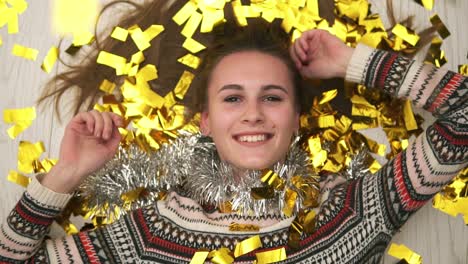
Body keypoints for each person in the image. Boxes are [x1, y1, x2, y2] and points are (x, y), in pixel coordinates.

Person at [1, 2, 467, 264]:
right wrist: (68, 172)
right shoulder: (149, 235)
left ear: (297, 117)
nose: (253, 114)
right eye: (231, 98)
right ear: (205, 121)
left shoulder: (353, 212)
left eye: (272, 97)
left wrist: (353, 63)